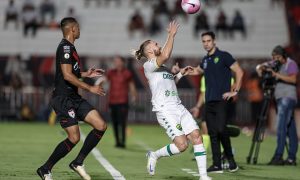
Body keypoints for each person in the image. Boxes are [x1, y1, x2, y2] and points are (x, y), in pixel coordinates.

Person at [132, 21, 211, 180]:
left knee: (197, 135)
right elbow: (166, 55)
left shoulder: (163, 68)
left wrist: (180, 74)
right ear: (148, 50)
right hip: (165, 110)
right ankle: (154, 155)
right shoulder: (149, 65)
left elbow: (169, 84)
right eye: (155, 43)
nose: (158, 44)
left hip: (178, 107)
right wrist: (171, 34)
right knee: (182, 145)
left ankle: (203, 176)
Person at [36, 17, 107, 180]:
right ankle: (45, 168)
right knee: (74, 137)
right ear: (72, 29)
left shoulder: (70, 47)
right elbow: (67, 76)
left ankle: (78, 162)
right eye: (78, 28)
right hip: (63, 99)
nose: (80, 30)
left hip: (74, 97)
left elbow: (68, 73)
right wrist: (90, 87)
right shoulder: (65, 48)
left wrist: (85, 74)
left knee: (100, 125)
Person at [187, 31, 243, 173]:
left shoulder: (224, 56)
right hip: (209, 101)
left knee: (220, 129)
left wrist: (235, 91)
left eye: (208, 41)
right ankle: (217, 164)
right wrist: (180, 70)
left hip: (222, 100)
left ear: (214, 41)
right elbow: (196, 70)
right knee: (212, 133)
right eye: (204, 41)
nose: (206, 43)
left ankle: (231, 161)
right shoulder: (205, 60)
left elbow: (239, 71)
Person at [256, 45, 298, 165]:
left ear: (284, 56)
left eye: (278, 57)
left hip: (288, 98)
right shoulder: (274, 63)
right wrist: (260, 68)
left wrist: (276, 75)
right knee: (290, 128)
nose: (276, 59)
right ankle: (291, 158)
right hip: (279, 98)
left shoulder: (291, 64)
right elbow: (259, 66)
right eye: (274, 57)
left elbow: (293, 79)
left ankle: (278, 155)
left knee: (280, 126)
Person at [106, 56, 137, 148]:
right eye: (115, 61)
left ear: (123, 62)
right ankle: (117, 141)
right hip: (112, 100)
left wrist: (134, 95)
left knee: (122, 122)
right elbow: (105, 81)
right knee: (114, 122)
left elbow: (131, 85)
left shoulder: (127, 73)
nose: (117, 63)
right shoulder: (111, 72)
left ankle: (123, 142)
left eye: (118, 61)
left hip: (123, 101)